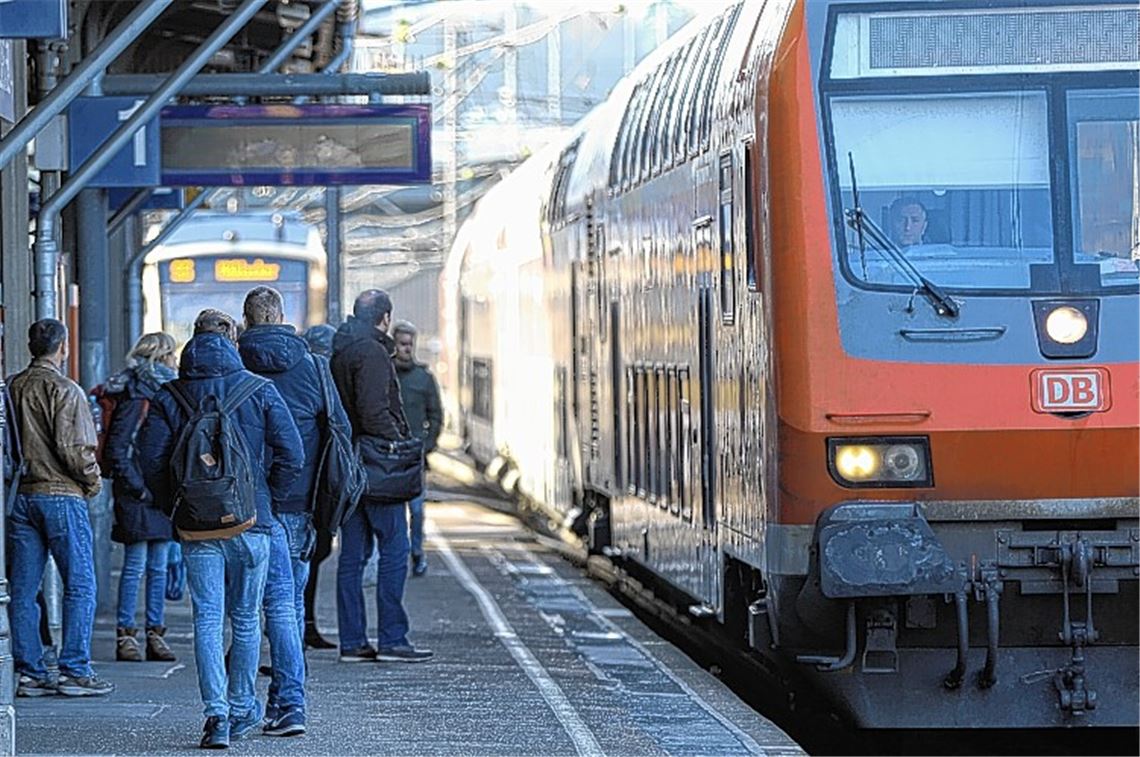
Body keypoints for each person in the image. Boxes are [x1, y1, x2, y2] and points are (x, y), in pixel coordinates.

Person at [139, 309, 303, 749]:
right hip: (253, 524)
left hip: (197, 528)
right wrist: (265, 496)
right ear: (232, 348)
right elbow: (293, 454)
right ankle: (242, 705)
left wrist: (175, 505)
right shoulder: (259, 390)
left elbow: (149, 460)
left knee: (207, 618)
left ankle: (216, 718)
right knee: (247, 619)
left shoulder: (169, 396)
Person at [238, 288, 350, 734]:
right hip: (300, 507)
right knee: (287, 606)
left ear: (245, 320)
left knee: (246, 611)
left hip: (244, 507)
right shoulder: (314, 366)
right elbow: (338, 431)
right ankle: (287, 704)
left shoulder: (231, 362)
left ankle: (247, 704)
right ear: (282, 316)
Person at [7, 319, 111, 697]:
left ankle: (30, 671)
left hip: (21, 496)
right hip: (62, 495)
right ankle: (74, 670)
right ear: (62, 347)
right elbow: (74, 450)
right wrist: (93, 482)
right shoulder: (65, 390)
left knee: (22, 588)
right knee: (81, 585)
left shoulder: (12, 386)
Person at [331, 290, 433, 663]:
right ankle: (392, 638)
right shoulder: (372, 352)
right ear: (385, 318)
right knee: (395, 549)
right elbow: (374, 411)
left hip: (351, 464)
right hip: (377, 467)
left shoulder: (342, 348)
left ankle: (353, 641)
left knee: (353, 556)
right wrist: (399, 442)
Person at [106, 332, 179, 664]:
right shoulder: (139, 396)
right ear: (161, 358)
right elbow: (118, 450)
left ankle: (154, 633)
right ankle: (127, 635)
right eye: (171, 356)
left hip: (155, 494)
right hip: (140, 495)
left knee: (158, 567)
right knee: (136, 566)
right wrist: (140, 488)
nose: (176, 361)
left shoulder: (160, 393)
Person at [391, 321, 442, 577]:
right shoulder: (384, 374)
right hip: (389, 456)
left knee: (418, 510)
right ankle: (398, 554)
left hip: (415, 458)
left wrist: (428, 445)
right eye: (402, 344)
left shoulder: (424, 378)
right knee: (394, 512)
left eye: (410, 344)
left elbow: (436, 415)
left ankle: (417, 552)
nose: (406, 349)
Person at [300, 324, 337, 650]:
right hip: (312, 486)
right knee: (306, 558)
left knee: (313, 554)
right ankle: (301, 626)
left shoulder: (303, 374)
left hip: (311, 483)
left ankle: (304, 625)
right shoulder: (319, 377)